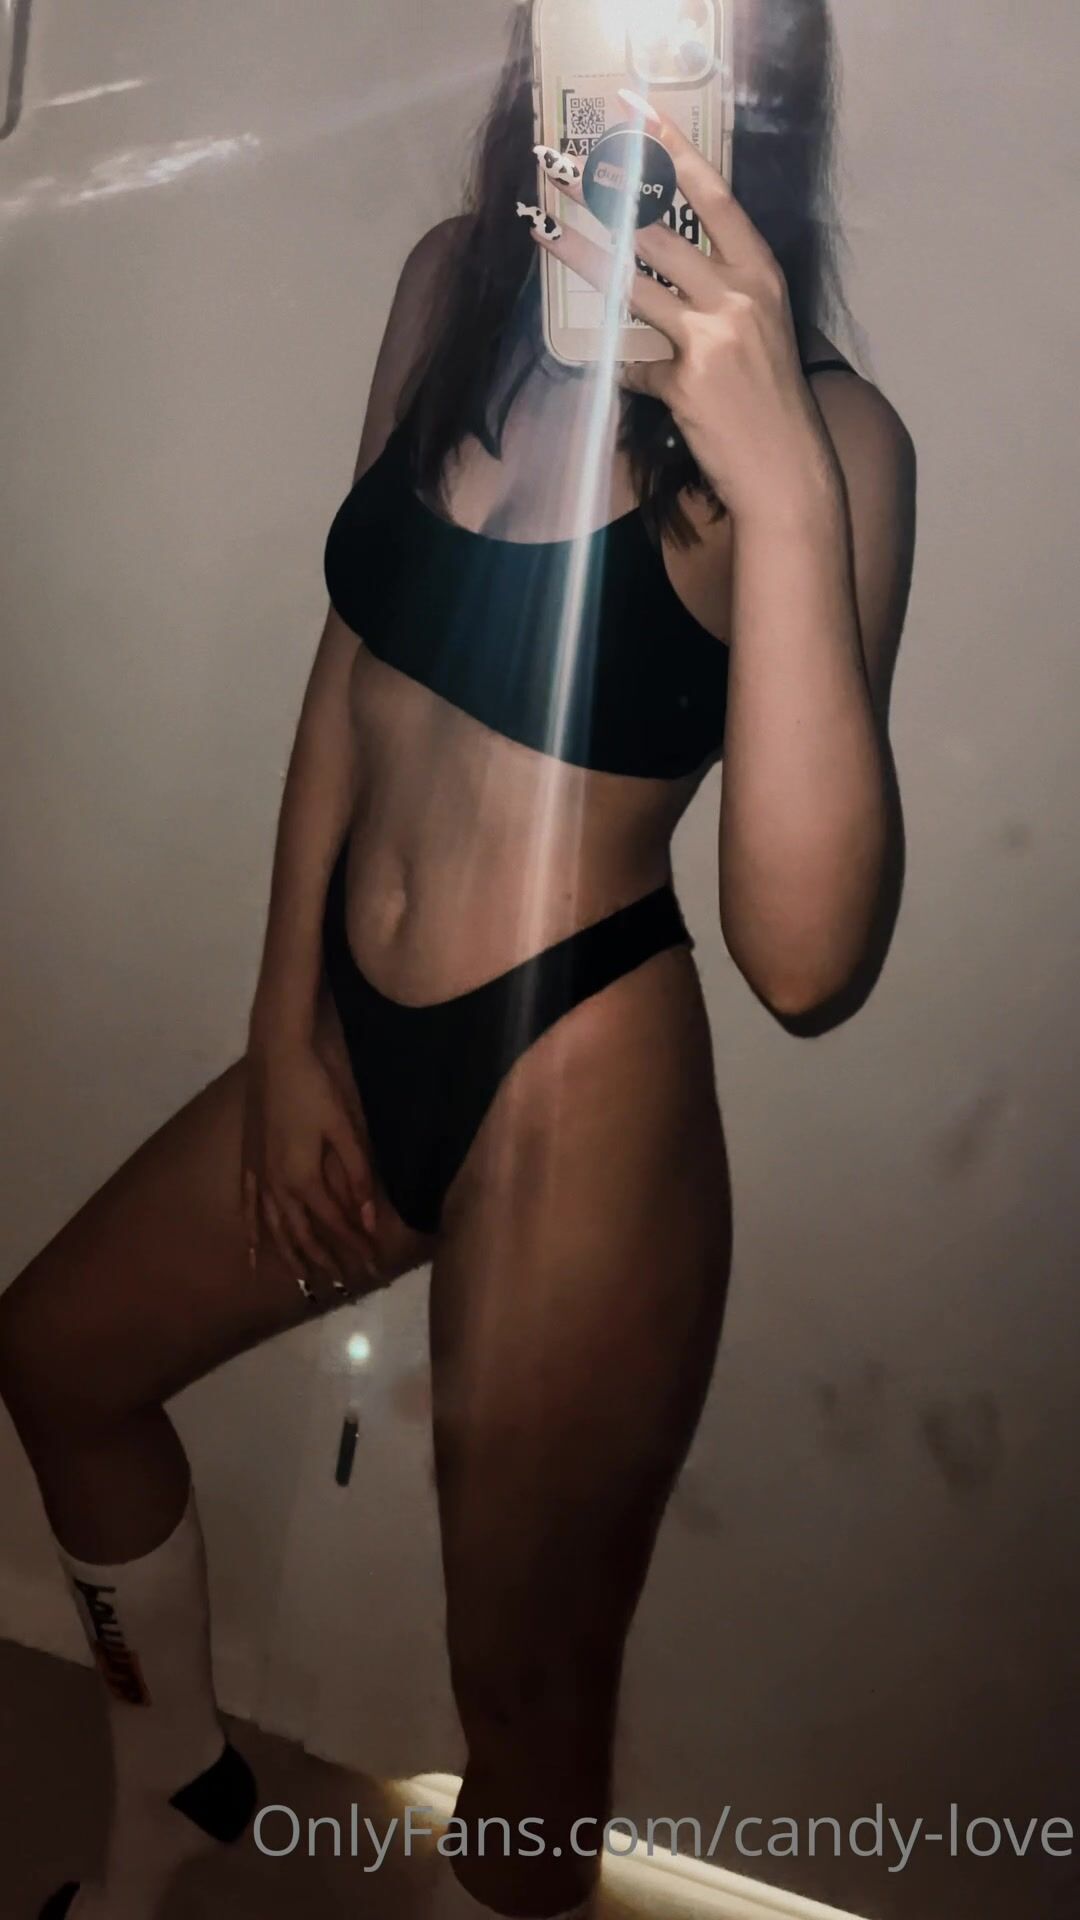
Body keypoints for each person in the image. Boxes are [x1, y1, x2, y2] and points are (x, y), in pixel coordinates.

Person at [0, 4, 916, 1917]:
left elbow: (807, 961)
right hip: (345, 1032)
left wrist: (782, 485)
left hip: (578, 1084)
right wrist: (282, 1026)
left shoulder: (833, 438)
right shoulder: (446, 293)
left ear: (761, 80)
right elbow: (352, 663)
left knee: (521, 1693)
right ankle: (170, 1794)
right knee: (57, 1357)